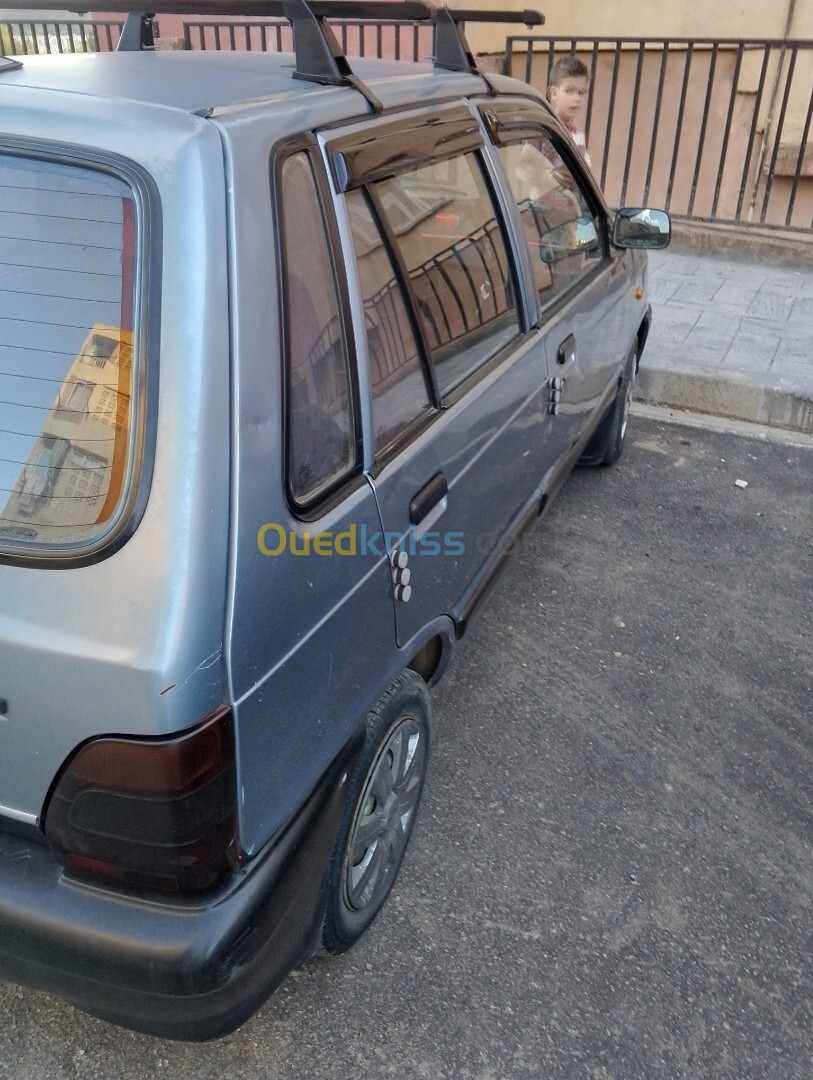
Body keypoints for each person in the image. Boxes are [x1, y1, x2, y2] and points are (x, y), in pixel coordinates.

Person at [546, 55, 592, 169]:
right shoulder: (544, 128)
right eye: (569, 91)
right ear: (554, 93)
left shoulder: (578, 132)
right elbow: (525, 167)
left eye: (581, 93)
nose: (577, 98)